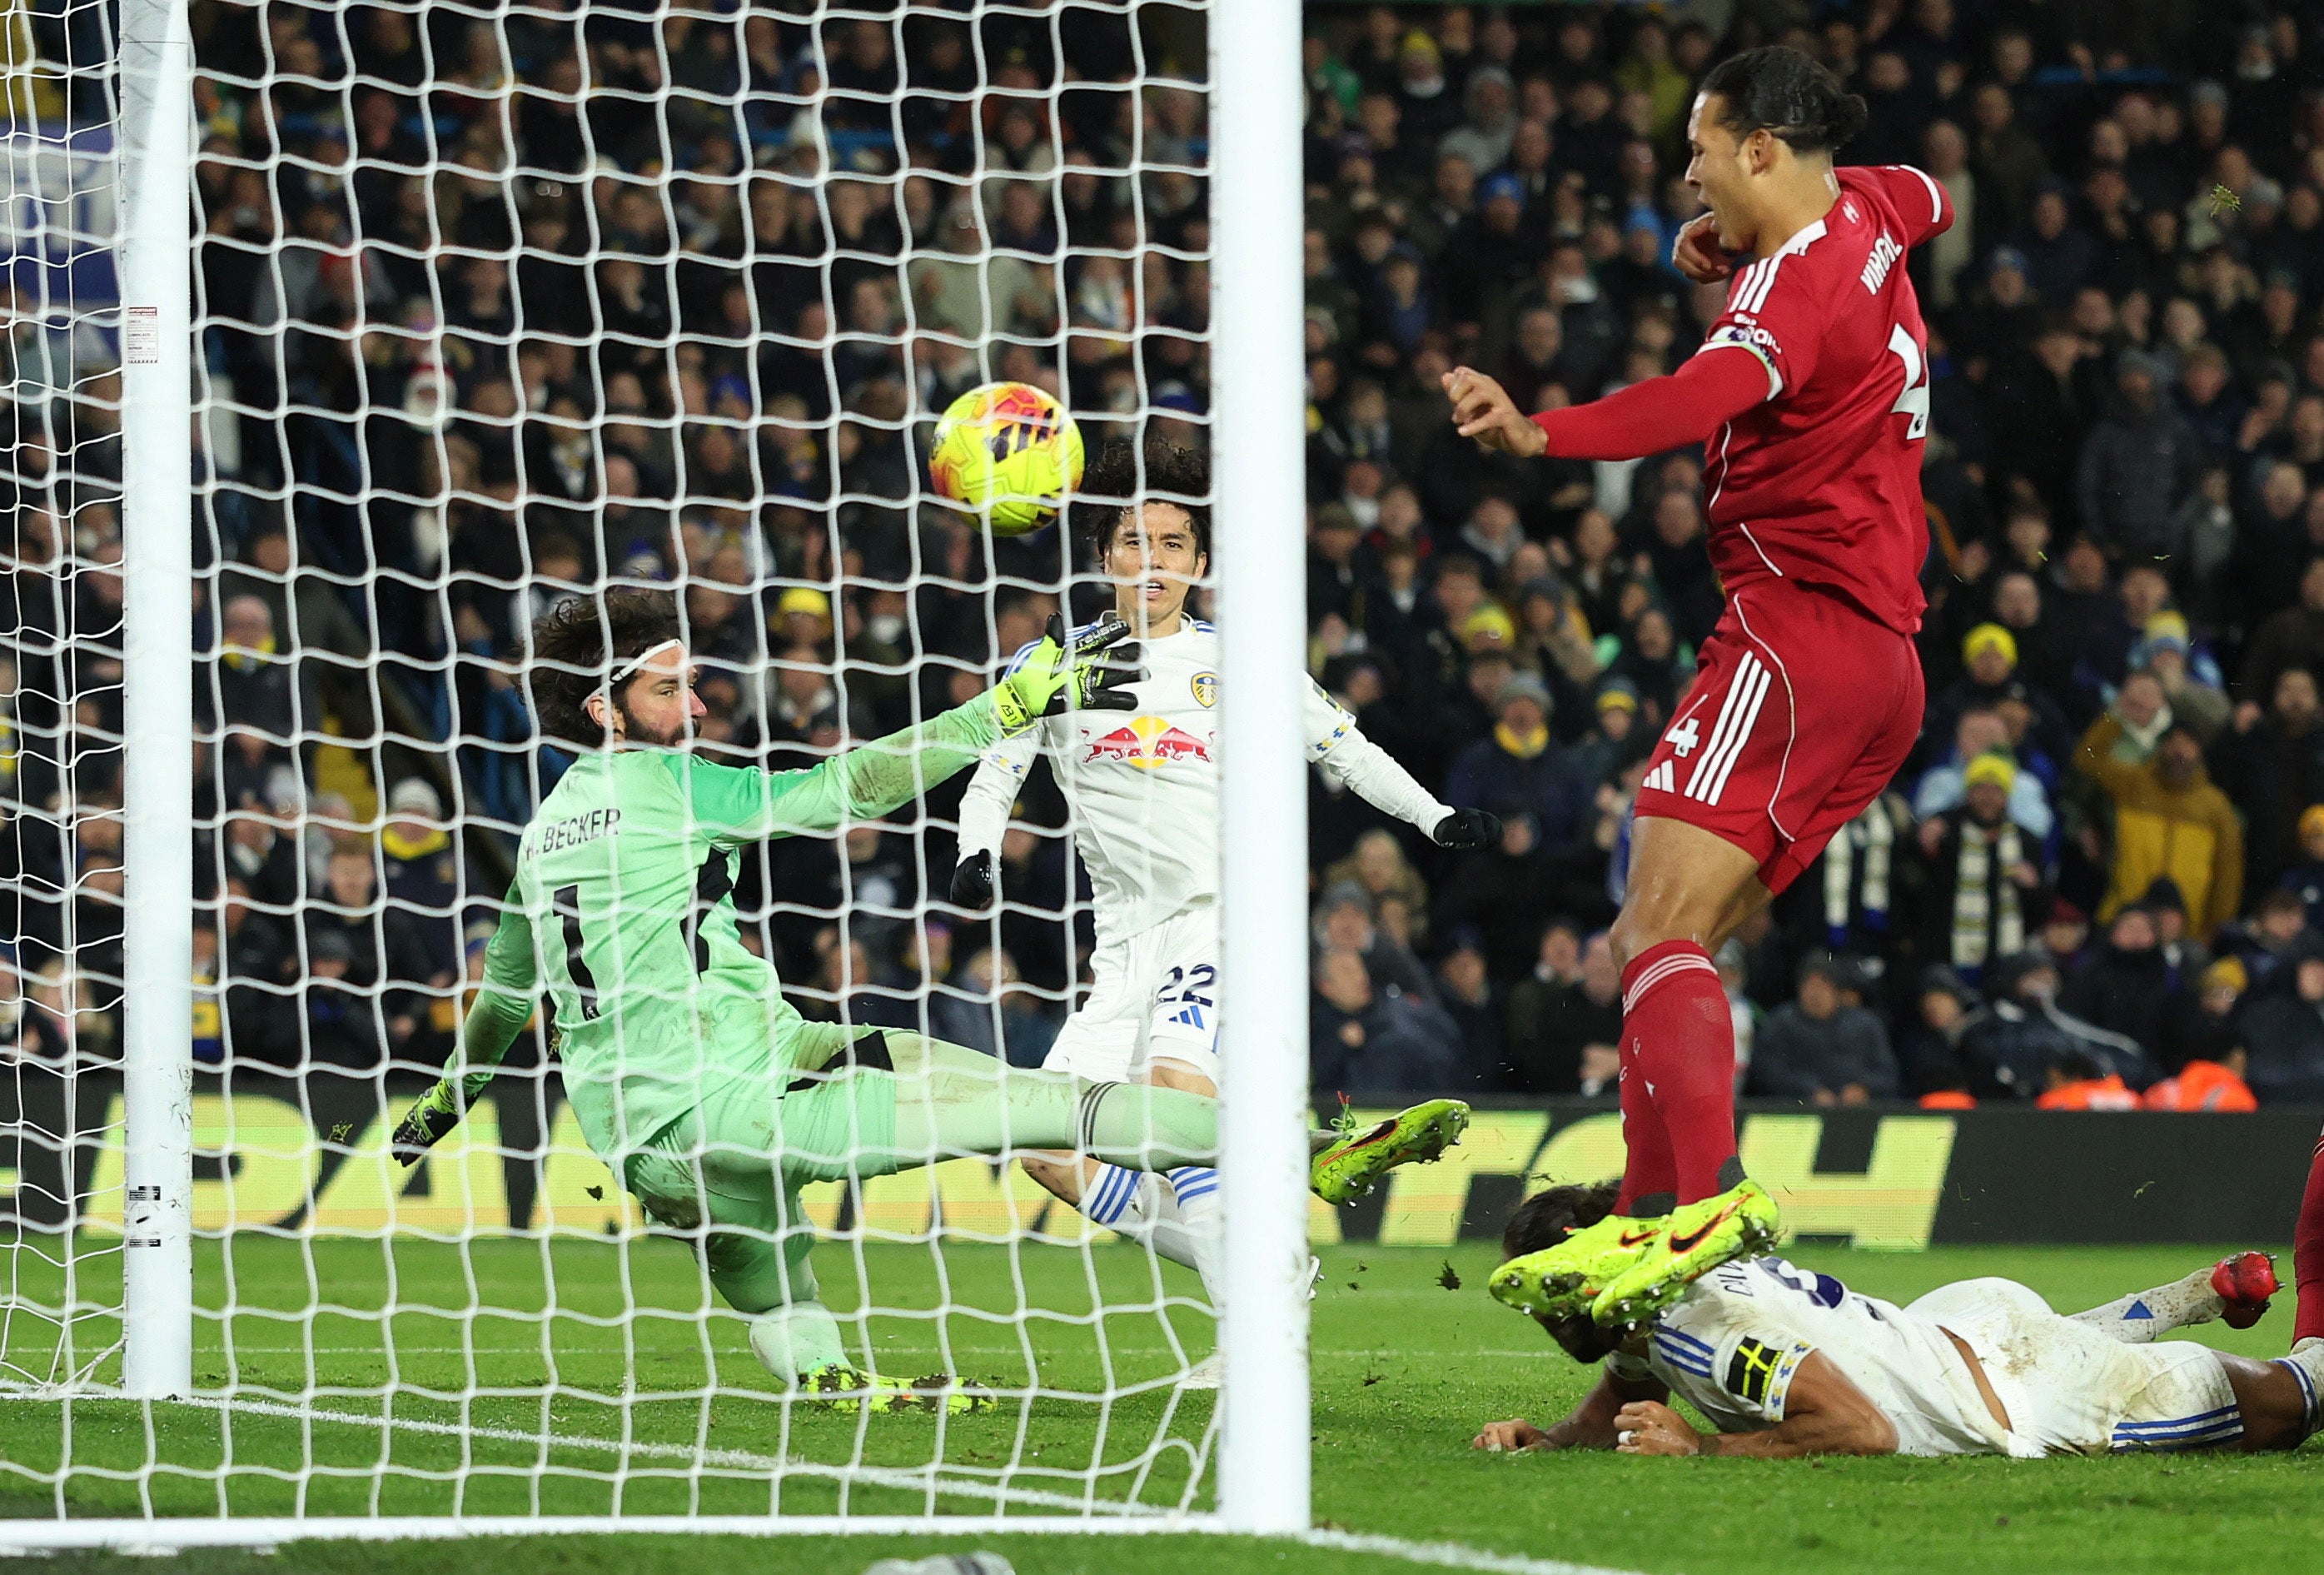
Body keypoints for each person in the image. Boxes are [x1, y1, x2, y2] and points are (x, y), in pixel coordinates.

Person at [390, 589, 1467, 1409]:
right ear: (603, 707)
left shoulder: (542, 836)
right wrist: (1000, 706)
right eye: (669, 686)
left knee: (775, 1280)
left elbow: (499, 1001)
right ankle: (1299, 1150)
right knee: (1034, 1107)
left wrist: (440, 1103)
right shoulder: (666, 783)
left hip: (649, 1128)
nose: (698, 698)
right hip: (738, 1100)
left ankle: (832, 1386)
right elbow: (843, 790)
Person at [1437, 46, 1950, 1323]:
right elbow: (1923, 193)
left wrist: (1536, 431)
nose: (1687, 171)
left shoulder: (1792, 290)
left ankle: (1695, 1202)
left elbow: (1700, 391)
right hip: (1881, 663)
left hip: (1796, 637)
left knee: (1650, 930)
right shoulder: (1875, 209)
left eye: (1702, 149)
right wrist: (1727, 246)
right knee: (1668, 944)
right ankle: (1646, 1228)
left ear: (1760, 149)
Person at [950, 441, 1495, 1328]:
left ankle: (1254, 1336)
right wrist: (978, 851)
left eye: (1171, 545)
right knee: (1046, 1148)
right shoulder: (1048, 666)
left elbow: (1342, 748)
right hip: (1123, 942)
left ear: (1199, 564)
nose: (1152, 561)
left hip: (1220, 920)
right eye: (1133, 542)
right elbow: (994, 773)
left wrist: (1433, 817)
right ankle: (1265, 1267)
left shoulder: (1238, 660)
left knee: (1173, 1106)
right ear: (1103, 558)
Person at [1478, 1181, 2298, 1459]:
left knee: (2287, 1409)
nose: (1542, 1307)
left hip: (2011, 1395)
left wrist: (1701, 1448)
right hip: (1955, 1323)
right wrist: (1547, 1440)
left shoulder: (1705, 1328)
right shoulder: (1660, 1297)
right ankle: (2202, 1291)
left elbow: (1861, 1429)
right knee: (2056, 1342)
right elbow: (1611, 1400)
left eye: (1544, 1284)